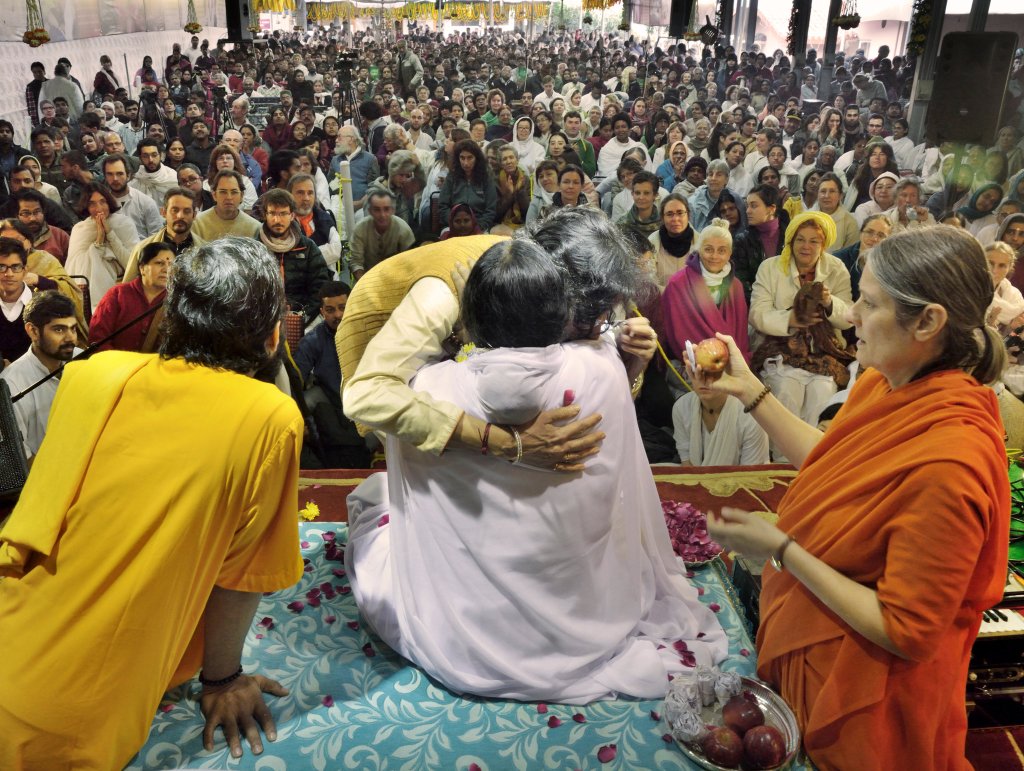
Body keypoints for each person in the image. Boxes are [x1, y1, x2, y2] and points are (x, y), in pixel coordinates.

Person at [345, 235, 727, 703]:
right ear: (559, 306)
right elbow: (368, 395)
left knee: (379, 495)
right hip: (587, 624)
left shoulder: (430, 386)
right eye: (593, 318)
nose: (599, 327)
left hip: (462, 640)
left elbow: (418, 419)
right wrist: (506, 444)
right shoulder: (596, 363)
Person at [701, 226, 1009, 770]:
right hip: (816, 654)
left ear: (929, 321)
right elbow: (836, 459)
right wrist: (749, 389)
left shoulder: (950, 462)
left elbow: (904, 629)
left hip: (869, 696)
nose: (850, 317)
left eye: (867, 304)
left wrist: (784, 549)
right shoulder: (885, 382)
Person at [0, 237, 305, 770]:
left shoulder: (92, 374)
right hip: (64, 718)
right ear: (273, 335)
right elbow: (241, 574)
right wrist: (224, 678)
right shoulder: (269, 417)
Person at [339, 213, 655, 466]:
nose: (593, 331)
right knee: (451, 462)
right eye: (584, 323)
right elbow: (369, 394)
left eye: (602, 322)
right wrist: (507, 443)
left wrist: (631, 362)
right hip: (382, 325)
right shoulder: (444, 292)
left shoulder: (568, 287)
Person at [749, 211, 854, 429]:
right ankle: (781, 459)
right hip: (779, 348)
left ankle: (813, 458)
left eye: (814, 241)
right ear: (791, 241)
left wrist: (828, 302)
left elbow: (848, 318)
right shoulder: (770, 267)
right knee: (787, 389)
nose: (806, 246)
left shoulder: (836, 268)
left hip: (823, 352)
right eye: (800, 240)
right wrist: (791, 319)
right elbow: (757, 314)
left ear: (823, 245)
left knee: (822, 392)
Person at [294, 281, 369, 468]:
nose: (338, 315)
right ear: (322, 312)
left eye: (343, 308)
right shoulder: (313, 340)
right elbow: (296, 380)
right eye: (330, 310)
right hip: (330, 398)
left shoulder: (368, 332)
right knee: (302, 402)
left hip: (366, 399)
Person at [0, 290, 78, 461]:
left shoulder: (84, 361)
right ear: (33, 331)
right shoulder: (12, 383)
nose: (70, 338)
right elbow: (21, 459)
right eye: (59, 329)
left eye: (73, 329)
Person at [663, 217, 751, 368]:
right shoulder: (678, 284)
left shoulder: (736, 286)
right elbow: (676, 333)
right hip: (693, 364)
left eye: (722, 251)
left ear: (730, 253)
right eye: (708, 249)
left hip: (732, 362)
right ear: (699, 249)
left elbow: (741, 334)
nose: (715, 256)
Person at [258, 188, 332, 326]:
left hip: (303, 318)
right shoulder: (255, 248)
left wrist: (301, 315)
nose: (277, 219)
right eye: (272, 213)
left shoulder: (307, 247)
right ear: (265, 215)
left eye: (283, 213)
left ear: (292, 215)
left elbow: (320, 286)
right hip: (264, 320)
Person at [65, 182, 139, 312]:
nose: (98, 208)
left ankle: (103, 309)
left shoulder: (124, 224)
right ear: (86, 207)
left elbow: (131, 264)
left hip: (120, 283)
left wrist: (110, 234)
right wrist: (98, 241)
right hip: (84, 287)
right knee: (92, 256)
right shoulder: (80, 229)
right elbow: (73, 267)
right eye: (92, 204)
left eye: (102, 202)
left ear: (109, 202)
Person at [88, 241, 171, 352]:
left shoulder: (177, 302)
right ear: (142, 268)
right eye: (159, 263)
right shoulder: (117, 295)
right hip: (115, 366)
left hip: (155, 367)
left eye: (171, 265)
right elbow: (97, 340)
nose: (166, 270)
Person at [672, 375, 769, 466]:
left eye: (713, 372)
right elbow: (687, 463)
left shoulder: (751, 414)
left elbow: (751, 474)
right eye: (697, 371)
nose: (704, 379)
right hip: (696, 480)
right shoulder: (681, 407)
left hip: (742, 481)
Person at [123, 187, 204, 281]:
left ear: (194, 215)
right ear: (163, 212)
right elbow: (127, 289)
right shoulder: (143, 248)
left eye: (186, 211)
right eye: (175, 210)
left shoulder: (204, 250)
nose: (180, 216)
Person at [732, 185, 790, 302]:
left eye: (754, 206)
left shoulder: (791, 237)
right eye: (747, 206)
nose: (747, 211)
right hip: (756, 303)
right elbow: (740, 280)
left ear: (771, 209)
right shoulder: (742, 240)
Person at [349, 190, 416, 281]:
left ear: (393, 210)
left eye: (386, 209)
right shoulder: (360, 229)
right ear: (370, 211)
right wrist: (365, 285)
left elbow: (410, 263)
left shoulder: (403, 230)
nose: (382, 215)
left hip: (397, 279)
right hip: (367, 279)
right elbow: (356, 262)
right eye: (377, 210)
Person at [438, 139, 497, 232]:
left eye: (470, 158)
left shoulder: (486, 178)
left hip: (480, 226)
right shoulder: (452, 177)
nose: (466, 163)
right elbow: (442, 206)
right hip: (453, 225)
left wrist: (478, 226)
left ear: (477, 158)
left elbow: (491, 210)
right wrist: (453, 223)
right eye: (462, 158)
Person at [834, 214, 892, 301]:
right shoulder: (839, 259)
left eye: (881, 235)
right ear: (861, 233)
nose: (874, 239)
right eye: (869, 232)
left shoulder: (892, 265)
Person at [191, 169, 261, 241]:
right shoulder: (198, 224)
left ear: (241, 196)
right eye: (223, 192)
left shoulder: (254, 227)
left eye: (234, 192)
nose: (229, 197)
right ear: (214, 195)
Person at [647, 193, 696, 289]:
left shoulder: (700, 242)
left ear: (688, 215)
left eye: (680, 213)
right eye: (669, 214)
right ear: (662, 218)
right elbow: (650, 281)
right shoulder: (652, 242)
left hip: (693, 300)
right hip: (662, 299)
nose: (675, 219)